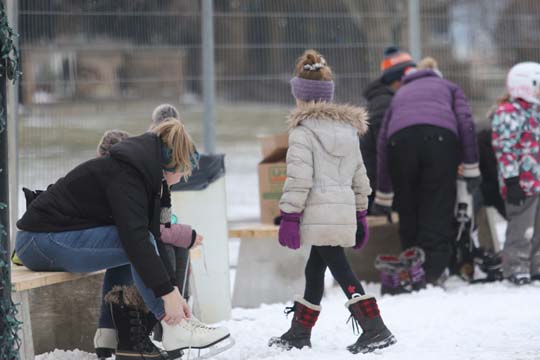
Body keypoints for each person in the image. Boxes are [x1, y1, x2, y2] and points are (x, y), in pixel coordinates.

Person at [15, 119, 230, 359]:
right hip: (38, 242)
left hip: (53, 239)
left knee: (136, 247)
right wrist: (167, 299)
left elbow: (154, 237)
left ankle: (118, 333)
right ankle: (173, 328)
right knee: (133, 245)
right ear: (172, 165)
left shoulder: (144, 176)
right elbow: (137, 239)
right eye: (183, 173)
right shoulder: (127, 175)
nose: (181, 180)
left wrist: (174, 293)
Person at [268, 49, 396, 355]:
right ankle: (300, 332)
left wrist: (288, 217)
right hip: (340, 214)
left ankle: (375, 327)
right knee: (315, 270)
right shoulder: (348, 130)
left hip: (316, 214)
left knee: (340, 269)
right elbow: (360, 175)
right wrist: (361, 213)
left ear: (300, 96)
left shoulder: (302, 133)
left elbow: (299, 180)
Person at [92, 124, 205, 359]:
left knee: (145, 246)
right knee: (138, 248)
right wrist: (187, 235)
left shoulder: (140, 179)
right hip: (89, 245)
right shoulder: (127, 181)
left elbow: (155, 226)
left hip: (101, 242)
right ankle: (157, 324)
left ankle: (165, 319)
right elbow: (149, 231)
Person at [374, 57, 481, 285]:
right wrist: (472, 168)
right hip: (440, 141)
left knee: (408, 206)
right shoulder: (450, 87)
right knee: (437, 206)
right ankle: (432, 272)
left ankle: (410, 270)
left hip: (400, 143)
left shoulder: (401, 93)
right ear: (437, 74)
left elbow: (382, 142)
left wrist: (383, 194)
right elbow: (465, 122)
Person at [491, 62, 540, 285]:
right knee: (522, 228)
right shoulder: (508, 113)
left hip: (538, 180)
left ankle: (535, 264)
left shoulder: (535, 111)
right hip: (521, 183)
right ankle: (515, 266)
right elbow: (505, 148)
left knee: (538, 228)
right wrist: (511, 180)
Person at [361, 47, 415, 213]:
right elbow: (387, 152)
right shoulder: (384, 105)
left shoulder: (386, 101)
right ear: (399, 80)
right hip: (380, 192)